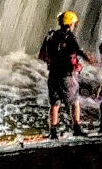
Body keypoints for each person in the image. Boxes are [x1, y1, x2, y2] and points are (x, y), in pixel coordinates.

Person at [38, 10, 94, 139]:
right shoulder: (69, 37)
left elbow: (41, 56)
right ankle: (77, 128)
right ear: (70, 24)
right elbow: (78, 51)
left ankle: (53, 132)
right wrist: (89, 59)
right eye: (74, 23)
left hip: (53, 75)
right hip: (67, 75)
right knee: (74, 102)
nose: (74, 25)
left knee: (54, 104)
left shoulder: (50, 36)